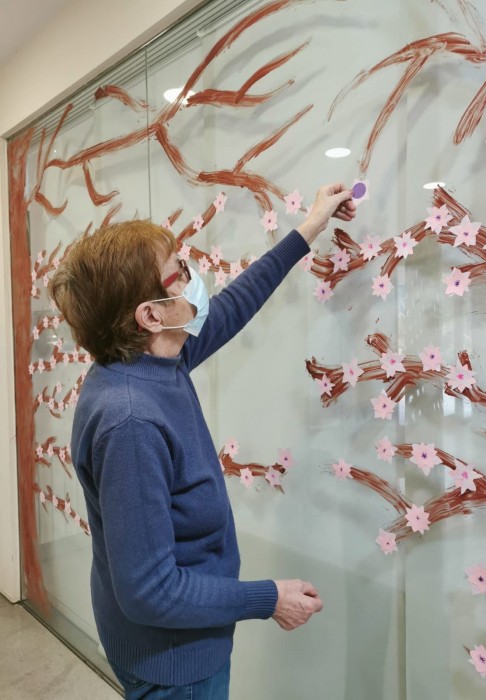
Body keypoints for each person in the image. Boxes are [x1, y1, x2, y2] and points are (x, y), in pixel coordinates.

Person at [49, 184, 356, 699]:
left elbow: (233, 305)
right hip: (173, 663)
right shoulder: (131, 422)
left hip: (177, 645)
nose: (194, 277)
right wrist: (269, 599)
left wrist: (309, 227)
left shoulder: (150, 361)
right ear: (150, 315)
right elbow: (150, 591)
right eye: (180, 271)